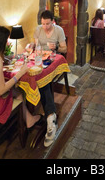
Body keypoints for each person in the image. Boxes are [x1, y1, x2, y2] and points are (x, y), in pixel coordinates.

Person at [33, 10, 67, 147]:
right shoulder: (38, 30)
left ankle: (50, 118)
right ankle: (49, 116)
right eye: (43, 24)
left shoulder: (59, 30)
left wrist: (57, 46)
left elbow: (64, 50)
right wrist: (32, 48)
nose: (45, 27)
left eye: (47, 24)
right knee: (37, 77)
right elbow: (35, 47)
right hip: (41, 60)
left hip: (53, 60)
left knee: (43, 80)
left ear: (53, 21)